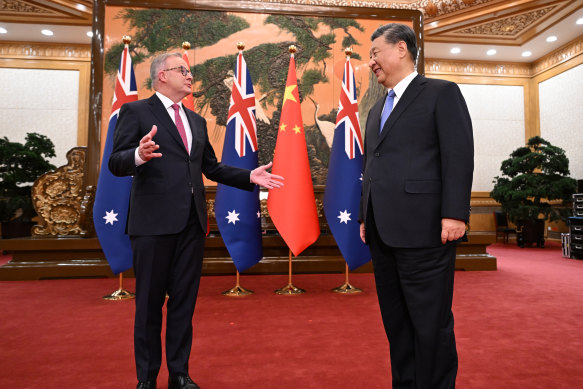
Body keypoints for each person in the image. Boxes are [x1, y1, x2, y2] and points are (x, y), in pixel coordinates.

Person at [108, 52, 283, 389]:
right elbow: (116, 162)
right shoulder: (136, 112)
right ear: (162, 76)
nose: (190, 77)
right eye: (182, 71)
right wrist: (137, 155)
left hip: (192, 225)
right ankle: (146, 379)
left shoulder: (197, 122)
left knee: (183, 305)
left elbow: (211, 168)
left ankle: (179, 374)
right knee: (148, 306)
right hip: (152, 226)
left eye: (189, 72)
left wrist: (249, 177)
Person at [359, 24, 474, 389]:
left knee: (430, 323)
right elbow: (372, 165)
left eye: (376, 52)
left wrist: (455, 213)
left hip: (426, 230)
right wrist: (366, 216)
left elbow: (458, 156)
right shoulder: (377, 108)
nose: (371, 61)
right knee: (397, 323)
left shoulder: (441, 93)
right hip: (382, 232)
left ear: (402, 50)